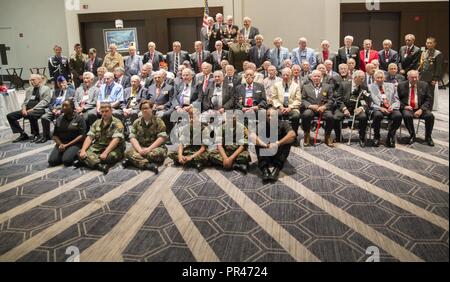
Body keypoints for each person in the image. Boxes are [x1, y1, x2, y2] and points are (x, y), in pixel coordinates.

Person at [75, 102, 125, 174]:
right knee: (80, 152)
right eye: (102, 111)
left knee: (108, 158)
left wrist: (105, 152)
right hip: (99, 146)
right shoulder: (97, 123)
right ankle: (99, 165)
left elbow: (116, 140)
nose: (104, 113)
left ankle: (86, 161)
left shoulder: (117, 123)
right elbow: (89, 137)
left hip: (115, 147)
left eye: (107, 111)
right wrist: (83, 150)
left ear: (111, 111)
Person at [252, 108, 296, 182]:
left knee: (289, 140)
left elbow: (292, 134)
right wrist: (265, 145)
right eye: (268, 115)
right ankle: (264, 170)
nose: (270, 118)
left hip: (279, 153)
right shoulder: (262, 124)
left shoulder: (284, 123)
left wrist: (277, 144)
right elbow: (252, 136)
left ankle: (277, 169)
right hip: (266, 153)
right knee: (257, 140)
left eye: (272, 116)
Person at [123, 100, 168, 173]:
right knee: (127, 152)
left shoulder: (158, 121)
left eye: (146, 108)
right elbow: (132, 137)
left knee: (156, 154)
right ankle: (148, 165)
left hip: (155, 148)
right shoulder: (137, 122)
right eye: (142, 108)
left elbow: (162, 138)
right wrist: (139, 150)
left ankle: (133, 161)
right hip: (141, 147)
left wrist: (149, 149)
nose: (144, 110)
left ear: (151, 108)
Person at [7, 74, 52, 143]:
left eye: (33, 80)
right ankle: (22, 134)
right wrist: (24, 109)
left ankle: (36, 134)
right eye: (30, 80)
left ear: (39, 80)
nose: (31, 81)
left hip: (40, 109)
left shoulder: (46, 88)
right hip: (27, 110)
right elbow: (25, 102)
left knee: (30, 114)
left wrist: (33, 109)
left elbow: (45, 102)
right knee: (10, 116)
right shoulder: (29, 89)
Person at [333, 70, 370, 146]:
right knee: (336, 117)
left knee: (363, 117)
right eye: (361, 78)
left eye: (363, 78)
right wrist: (344, 109)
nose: (363, 80)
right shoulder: (344, 85)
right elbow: (338, 98)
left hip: (357, 108)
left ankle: (362, 137)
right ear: (355, 78)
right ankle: (338, 136)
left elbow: (367, 100)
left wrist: (361, 108)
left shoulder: (364, 87)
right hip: (344, 107)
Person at [398, 70, 435, 146]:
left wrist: (421, 109)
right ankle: (412, 135)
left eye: (416, 77)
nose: (414, 79)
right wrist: (404, 106)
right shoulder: (401, 85)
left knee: (430, 116)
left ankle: (428, 137)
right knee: (407, 116)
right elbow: (396, 99)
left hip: (420, 108)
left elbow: (428, 99)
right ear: (408, 78)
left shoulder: (424, 85)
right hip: (407, 108)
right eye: (412, 77)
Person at [300, 70, 334, 147]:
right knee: (306, 115)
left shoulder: (327, 86)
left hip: (323, 108)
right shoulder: (306, 87)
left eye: (318, 76)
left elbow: (331, 100)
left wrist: (324, 107)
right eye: (315, 76)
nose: (316, 78)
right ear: (312, 77)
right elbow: (302, 100)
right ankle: (307, 134)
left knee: (330, 117)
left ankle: (327, 136)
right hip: (311, 108)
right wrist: (310, 106)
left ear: (321, 77)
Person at [48, 100, 86, 167]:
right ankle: (65, 153)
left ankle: (75, 154)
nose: (64, 108)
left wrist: (67, 145)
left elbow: (82, 135)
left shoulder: (79, 118)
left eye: (66, 106)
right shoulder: (59, 118)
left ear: (72, 107)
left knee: (67, 161)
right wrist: (60, 144)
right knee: (52, 161)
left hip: (75, 143)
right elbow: (55, 135)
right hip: (62, 143)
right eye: (63, 106)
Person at [369, 70, 402, 147]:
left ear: (384, 78)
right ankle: (376, 136)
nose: (380, 79)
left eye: (381, 78)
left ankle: (390, 135)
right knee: (377, 116)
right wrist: (380, 108)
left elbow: (396, 99)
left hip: (390, 107)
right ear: (374, 78)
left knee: (398, 116)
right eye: (378, 78)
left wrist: (392, 107)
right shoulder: (370, 87)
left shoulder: (391, 85)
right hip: (378, 108)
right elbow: (369, 103)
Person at [40, 76, 76, 143]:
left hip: (64, 110)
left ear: (66, 82)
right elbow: (50, 103)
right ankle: (46, 136)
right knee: (44, 117)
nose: (61, 84)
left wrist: (61, 110)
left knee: (60, 117)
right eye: (59, 83)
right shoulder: (55, 92)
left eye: (62, 82)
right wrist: (53, 109)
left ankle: (60, 135)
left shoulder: (72, 91)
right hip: (54, 110)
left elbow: (71, 104)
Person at [271, 68, 301, 138]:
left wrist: (290, 107)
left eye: (287, 75)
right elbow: (274, 98)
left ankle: (294, 135)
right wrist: (280, 107)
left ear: (291, 75)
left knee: (296, 116)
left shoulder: (296, 86)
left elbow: (298, 100)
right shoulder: (276, 85)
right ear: (281, 75)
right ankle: (278, 134)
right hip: (280, 107)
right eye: (283, 75)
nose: (285, 77)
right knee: (273, 115)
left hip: (292, 108)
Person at [418, 37, 444, 110]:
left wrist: (435, 79)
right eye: (427, 43)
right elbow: (421, 65)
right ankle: (421, 108)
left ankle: (429, 110)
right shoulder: (424, 52)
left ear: (434, 44)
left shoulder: (437, 53)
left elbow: (438, 68)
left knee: (429, 95)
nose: (428, 44)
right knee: (421, 93)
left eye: (430, 43)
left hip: (431, 78)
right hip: (422, 76)